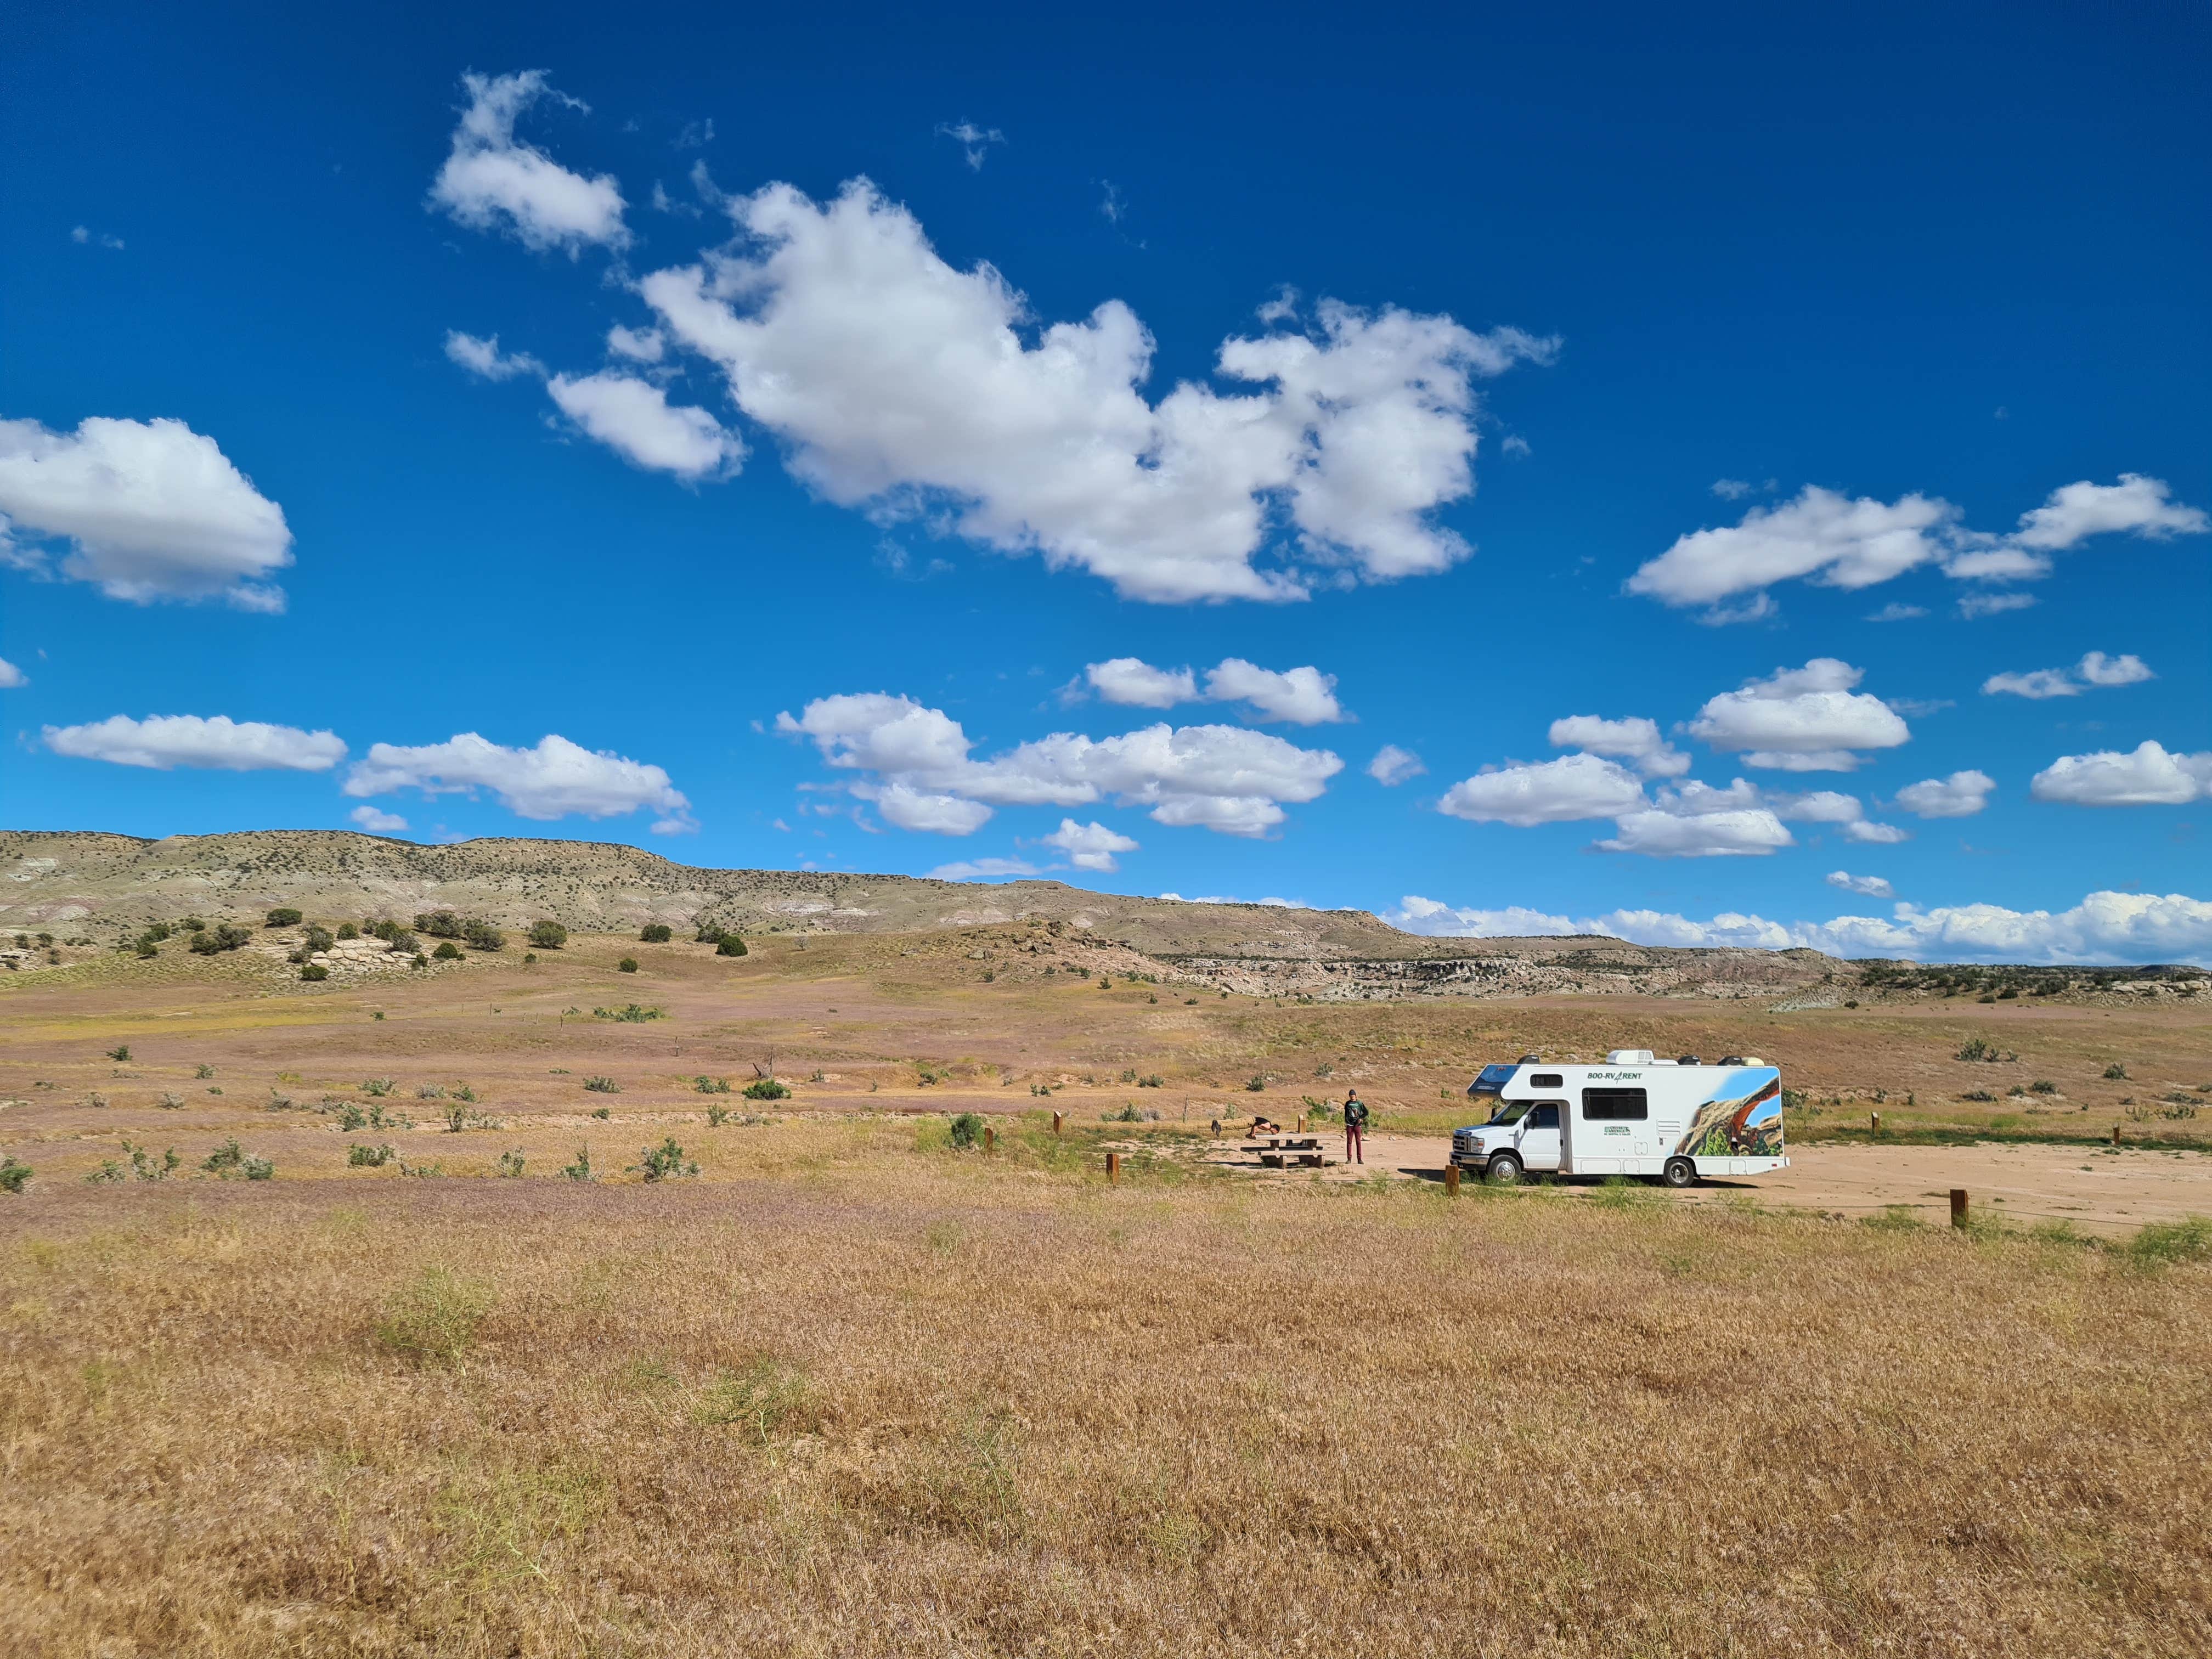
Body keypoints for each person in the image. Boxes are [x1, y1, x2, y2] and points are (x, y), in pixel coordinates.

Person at [1342, 1088, 1369, 1164]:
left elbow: (1366, 1112)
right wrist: (1347, 1121)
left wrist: (1361, 1118)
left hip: (1358, 1125)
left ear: (1356, 1096)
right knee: (1349, 1142)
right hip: (1350, 1124)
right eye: (1351, 1095)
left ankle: (1359, 1159)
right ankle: (1349, 1159)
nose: (1352, 1096)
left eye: (1353, 1095)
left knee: (1358, 1142)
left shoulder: (1360, 1103)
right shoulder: (1347, 1103)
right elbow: (1346, 1113)